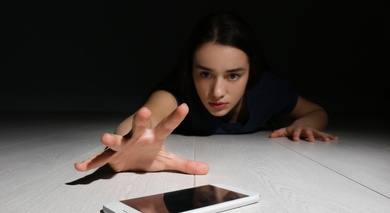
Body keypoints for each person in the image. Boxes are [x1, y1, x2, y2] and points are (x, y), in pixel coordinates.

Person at [74, 11, 338, 175]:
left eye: (233, 75)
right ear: (191, 71)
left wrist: (303, 124)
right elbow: (140, 121)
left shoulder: (267, 89)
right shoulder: (177, 95)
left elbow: (317, 111)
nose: (218, 92)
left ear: (251, 71)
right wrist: (129, 144)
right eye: (205, 74)